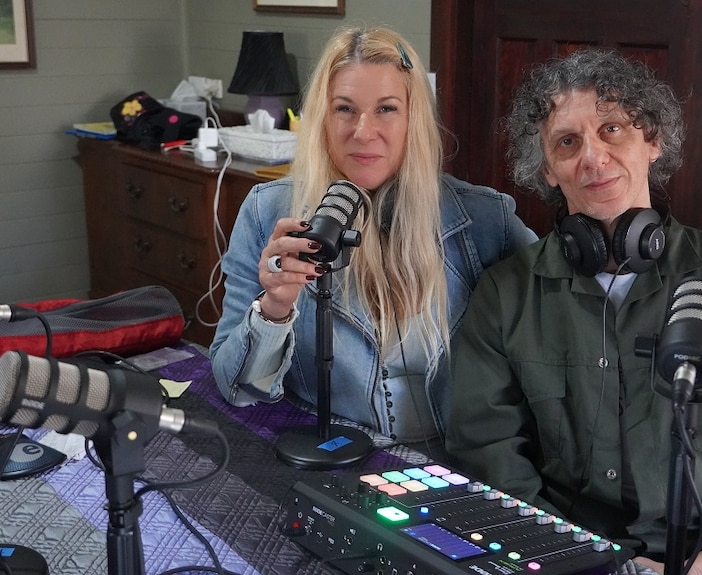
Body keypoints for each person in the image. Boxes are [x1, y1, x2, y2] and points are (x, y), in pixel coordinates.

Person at [445, 49, 702, 575]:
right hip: (559, 555)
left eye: (613, 128)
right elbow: (487, 453)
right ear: (549, 170)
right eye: (567, 142)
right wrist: (574, 557)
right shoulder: (506, 293)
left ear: (653, 141)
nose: (593, 158)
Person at [210, 26, 536, 453]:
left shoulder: (486, 219)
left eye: (386, 109)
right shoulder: (267, 212)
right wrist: (274, 308)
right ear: (322, 118)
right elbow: (237, 388)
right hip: (339, 455)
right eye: (344, 108)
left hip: (460, 466)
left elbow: (560, 329)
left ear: (413, 118)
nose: (363, 131)